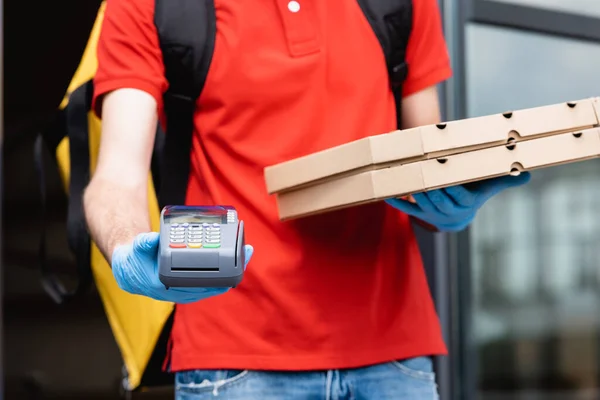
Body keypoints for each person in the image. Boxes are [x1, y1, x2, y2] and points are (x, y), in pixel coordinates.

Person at [83, 0, 531, 398]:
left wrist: (452, 203)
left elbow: (424, 160)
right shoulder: (147, 5)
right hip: (233, 363)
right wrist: (126, 245)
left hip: (394, 354)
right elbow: (116, 178)